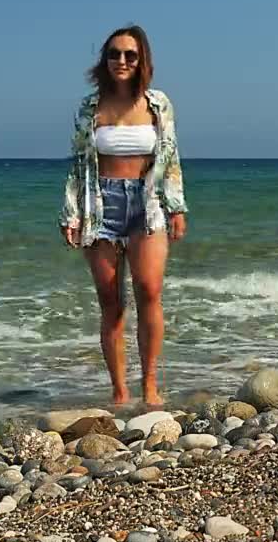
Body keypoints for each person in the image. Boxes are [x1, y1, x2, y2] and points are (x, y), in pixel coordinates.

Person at [60, 25, 187, 406]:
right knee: (111, 302)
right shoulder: (89, 106)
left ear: (141, 60)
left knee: (149, 290)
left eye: (130, 55)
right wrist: (71, 213)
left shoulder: (158, 104)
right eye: (114, 54)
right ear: (105, 59)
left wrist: (176, 206)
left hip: (147, 204)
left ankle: (150, 384)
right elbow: (78, 163)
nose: (121, 61)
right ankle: (119, 390)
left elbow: (171, 157)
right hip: (100, 206)